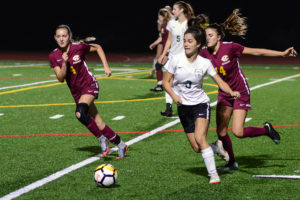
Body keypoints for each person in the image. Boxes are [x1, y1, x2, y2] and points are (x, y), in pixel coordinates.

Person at [197, 9, 298, 170]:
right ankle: (232, 163)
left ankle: (266, 130)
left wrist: (282, 54)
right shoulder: (203, 53)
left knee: (238, 131)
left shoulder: (230, 48)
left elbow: (257, 51)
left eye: (210, 35)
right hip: (224, 93)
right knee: (221, 132)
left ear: (219, 37)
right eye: (206, 35)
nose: (207, 38)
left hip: (240, 92)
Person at [163, 25, 240, 184]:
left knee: (200, 137)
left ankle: (213, 175)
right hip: (184, 108)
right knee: (197, 147)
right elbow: (165, 82)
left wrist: (231, 92)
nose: (185, 44)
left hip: (200, 104)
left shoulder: (204, 63)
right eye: (184, 41)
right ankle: (216, 148)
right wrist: (173, 95)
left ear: (198, 44)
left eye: (190, 41)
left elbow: (220, 82)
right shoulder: (176, 59)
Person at [49, 25, 129, 159]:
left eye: (64, 36)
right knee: (98, 123)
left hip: (89, 84)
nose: (61, 39)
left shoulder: (78, 48)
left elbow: (98, 47)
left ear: (69, 36)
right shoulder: (54, 55)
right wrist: (63, 63)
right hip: (77, 92)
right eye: (58, 36)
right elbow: (60, 78)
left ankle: (101, 138)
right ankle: (121, 144)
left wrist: (106, 67)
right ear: (55, 38)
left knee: (80, 113)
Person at [158, 1, 195, 117]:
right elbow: (169, 40)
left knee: (181, 82)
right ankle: (168, 108)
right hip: (173, 56)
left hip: (185, 57)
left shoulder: (189, 23)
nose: (172, 11)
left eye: (174, 9)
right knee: (168, 82)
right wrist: (164, 54)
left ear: (182, 10)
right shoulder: (171, 23)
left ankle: (187, 105)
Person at [149, 8, 172, 92]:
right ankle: (161, 85)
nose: (158, 17)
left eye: (159, 15)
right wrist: (154, 43)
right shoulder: (165, 25)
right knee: (159, 65)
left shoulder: (168, 25)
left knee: (162, 66)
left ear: (161, 16)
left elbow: (170, 38)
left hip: (171, 50)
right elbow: (162, 37)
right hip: (169, 49)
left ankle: (163, 85)